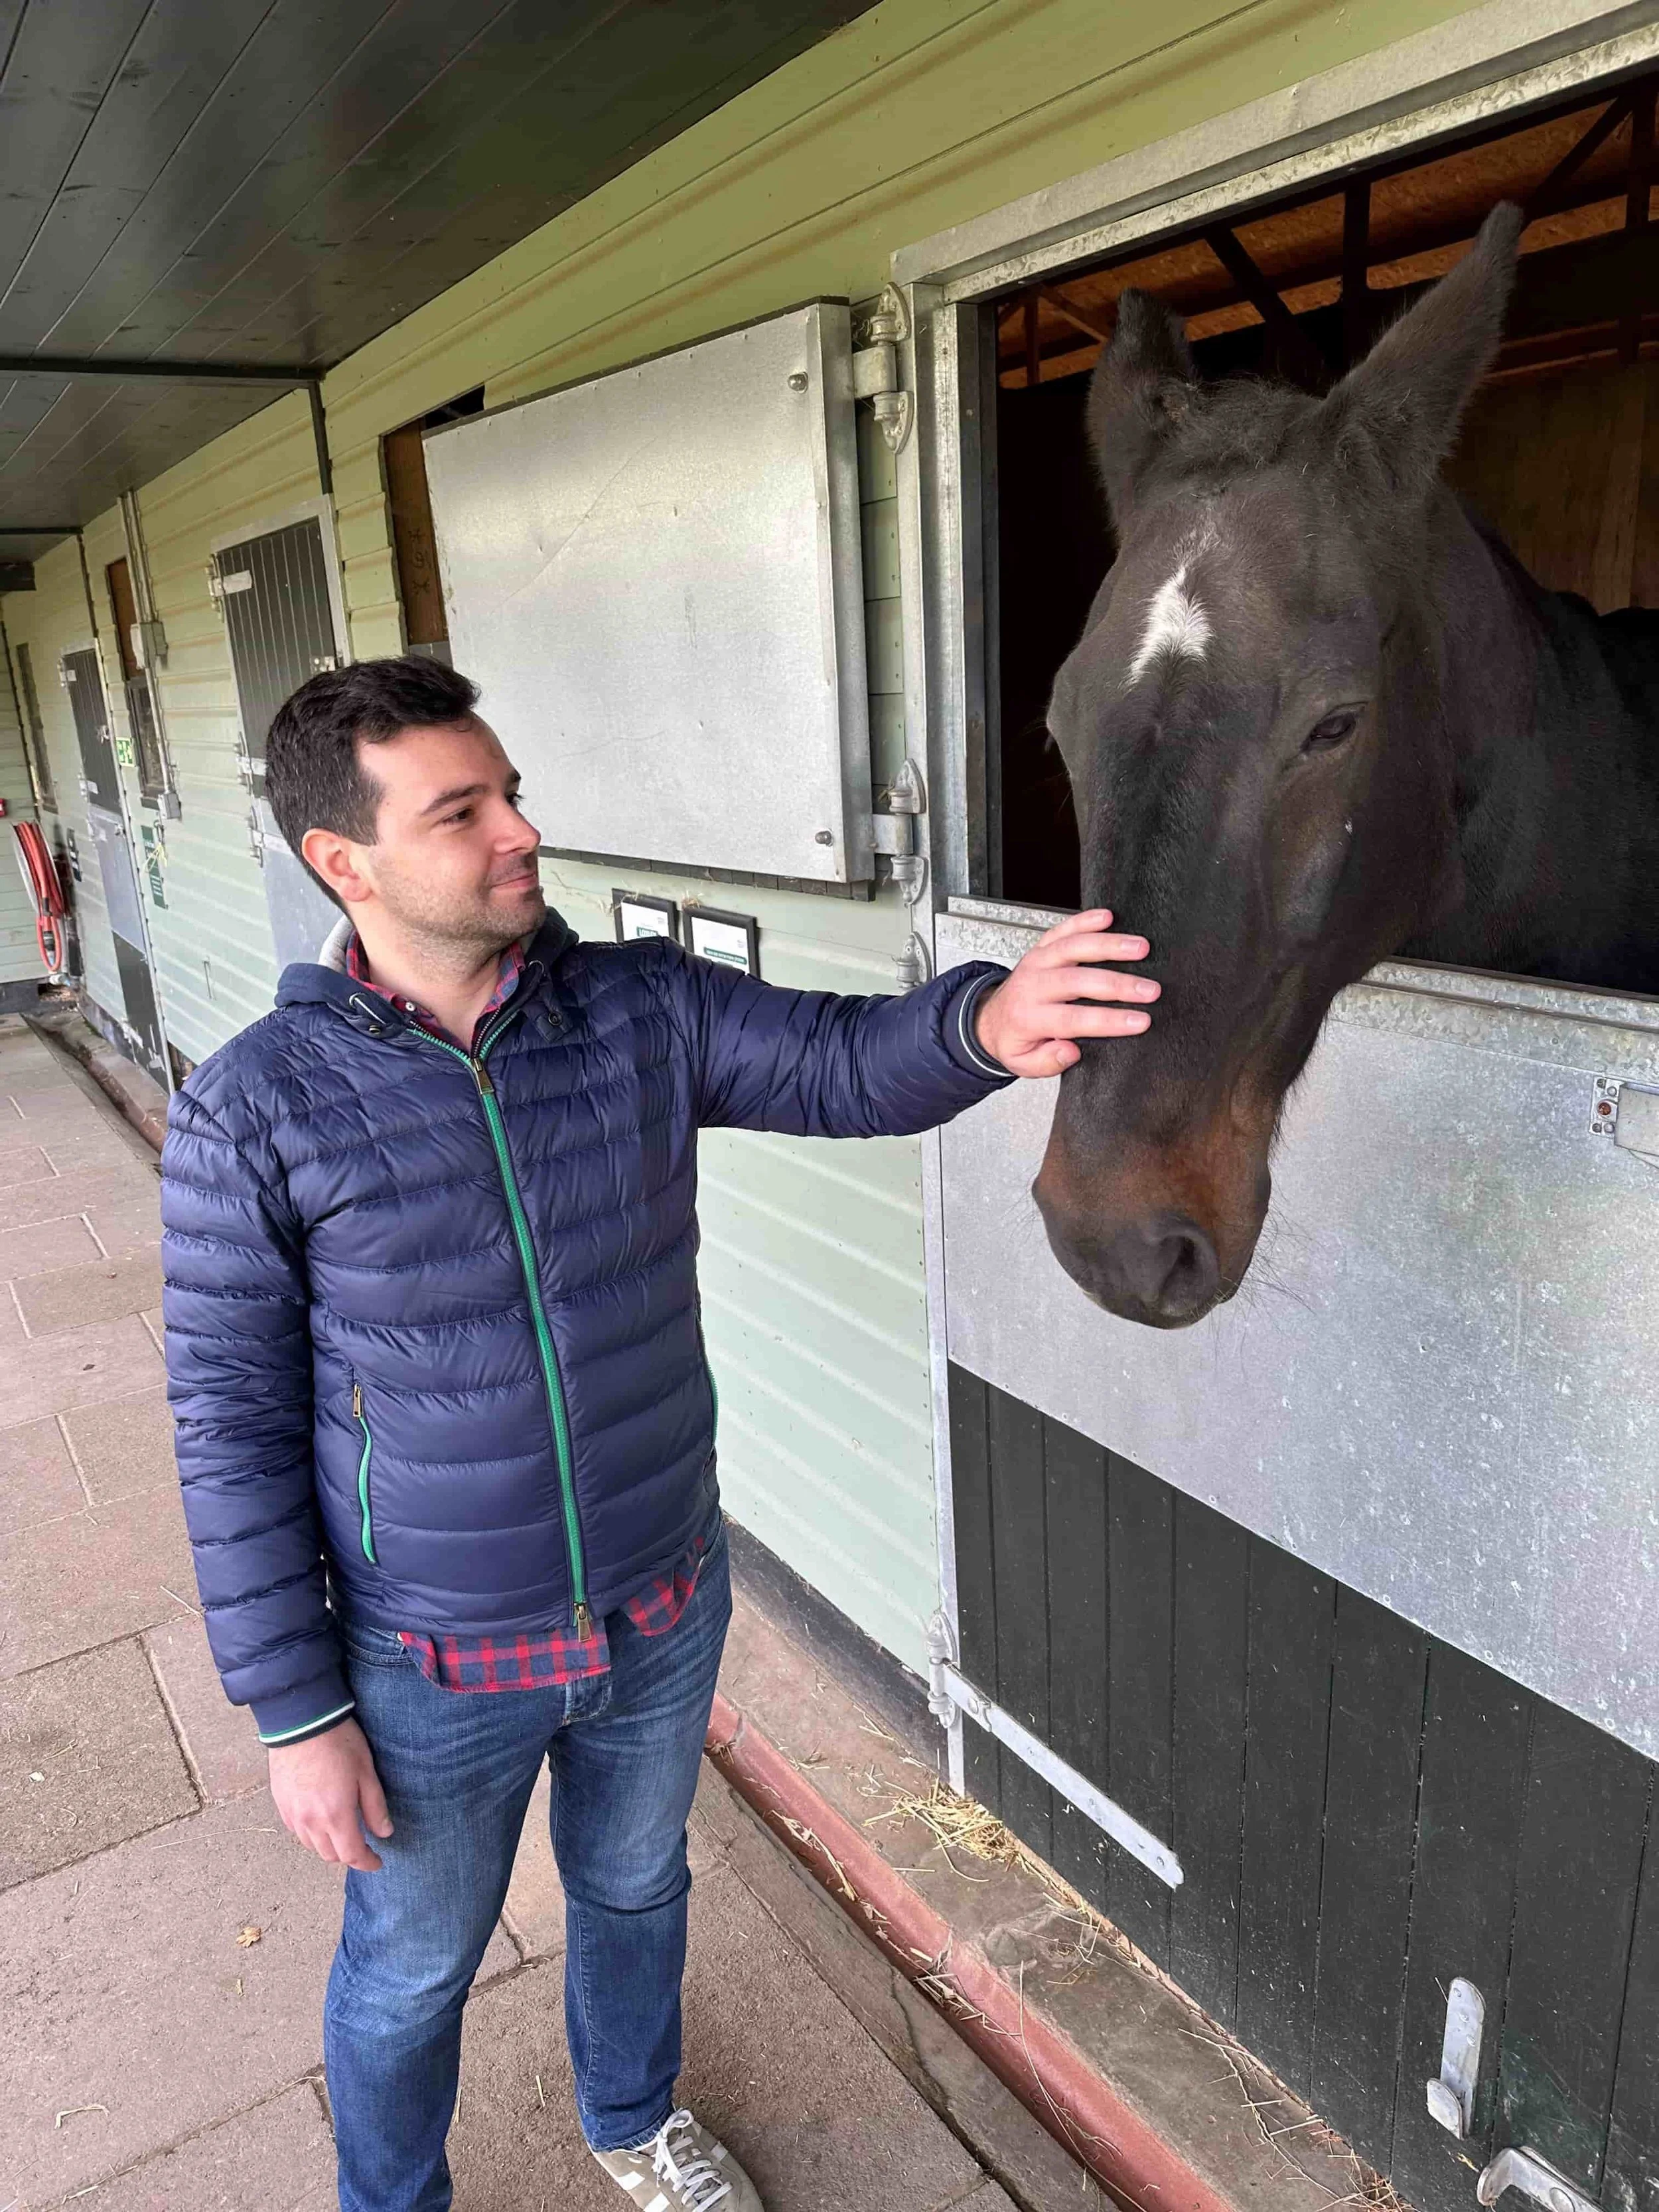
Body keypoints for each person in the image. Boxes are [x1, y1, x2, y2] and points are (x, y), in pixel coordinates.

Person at [160, 656, 1159, 2212]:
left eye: (510, 789)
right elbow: (226, 1429)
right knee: (411, 1970)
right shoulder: (256, 1108)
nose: (520, 830)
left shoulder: (633, 1009)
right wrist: (295, 1711)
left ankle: (632, 2118)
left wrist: (985, 1021)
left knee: (634, 1883)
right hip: (428, 1661)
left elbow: (838, 1062)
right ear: (342, 865)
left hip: (657, 1598)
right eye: (464, 810)